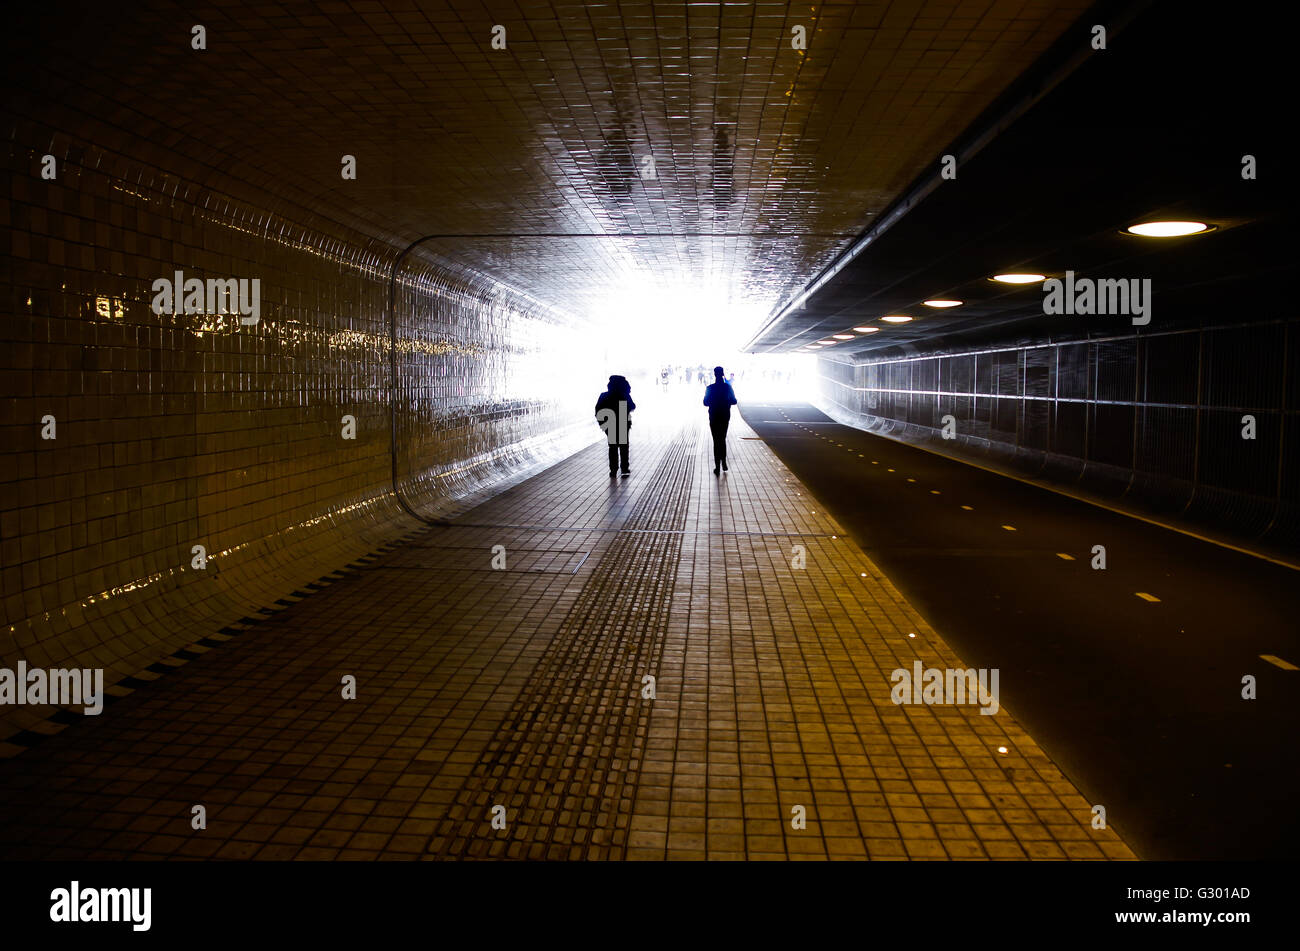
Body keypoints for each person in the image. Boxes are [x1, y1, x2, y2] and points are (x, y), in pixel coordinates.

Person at [595, 374, 635, 477]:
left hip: (610, 423)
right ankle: (624, 469)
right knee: (623, 447)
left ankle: (613, 470)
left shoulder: (604, 395)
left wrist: (603, 424)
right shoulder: (624, 395)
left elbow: (598, 410)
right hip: (622, 421)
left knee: (612, 447)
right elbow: (632, 406)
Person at [703, 366, 737, 475]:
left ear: (714, 374)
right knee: (722, 439)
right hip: (725, 416)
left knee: (716, 440)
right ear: (723, 374)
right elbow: (734, 401)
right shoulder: (728, 387)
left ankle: (717, 466)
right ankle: (724, 462)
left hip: (713, 416)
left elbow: (705, 402)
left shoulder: (710, 388)